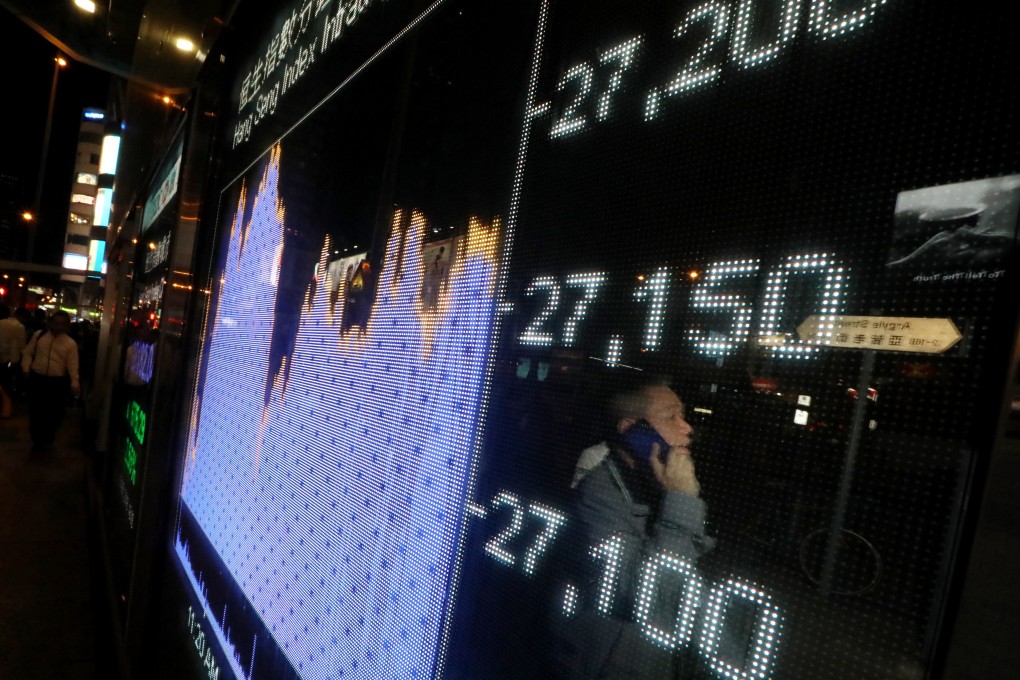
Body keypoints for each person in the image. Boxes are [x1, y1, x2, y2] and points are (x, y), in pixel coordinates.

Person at [553, 377, 714, 679]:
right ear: (632, 429)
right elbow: (654, 594)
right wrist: (681, 501)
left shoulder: (654, 485)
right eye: (671, 416)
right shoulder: (599, 494)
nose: (687, 427)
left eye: (684, 415)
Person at [21, 310, 79, 452]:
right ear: (51, 322)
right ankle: (38, 440)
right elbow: (28, 352)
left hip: (57, 382)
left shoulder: (70, 344)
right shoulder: (39, 336)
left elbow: (73, 365)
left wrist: (74, 382)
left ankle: (48, 434)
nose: (58, 326)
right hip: (38, 377)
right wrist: (26, 368)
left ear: (66, 326)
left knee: (56, 413)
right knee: (36, 411)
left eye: (62, 324)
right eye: (56, 323)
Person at [0, 304, 26, 417]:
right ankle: (6, 411)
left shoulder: (1, 322)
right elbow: (21, 346)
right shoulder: (19, 327)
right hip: (10, 360)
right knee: (7, 384)